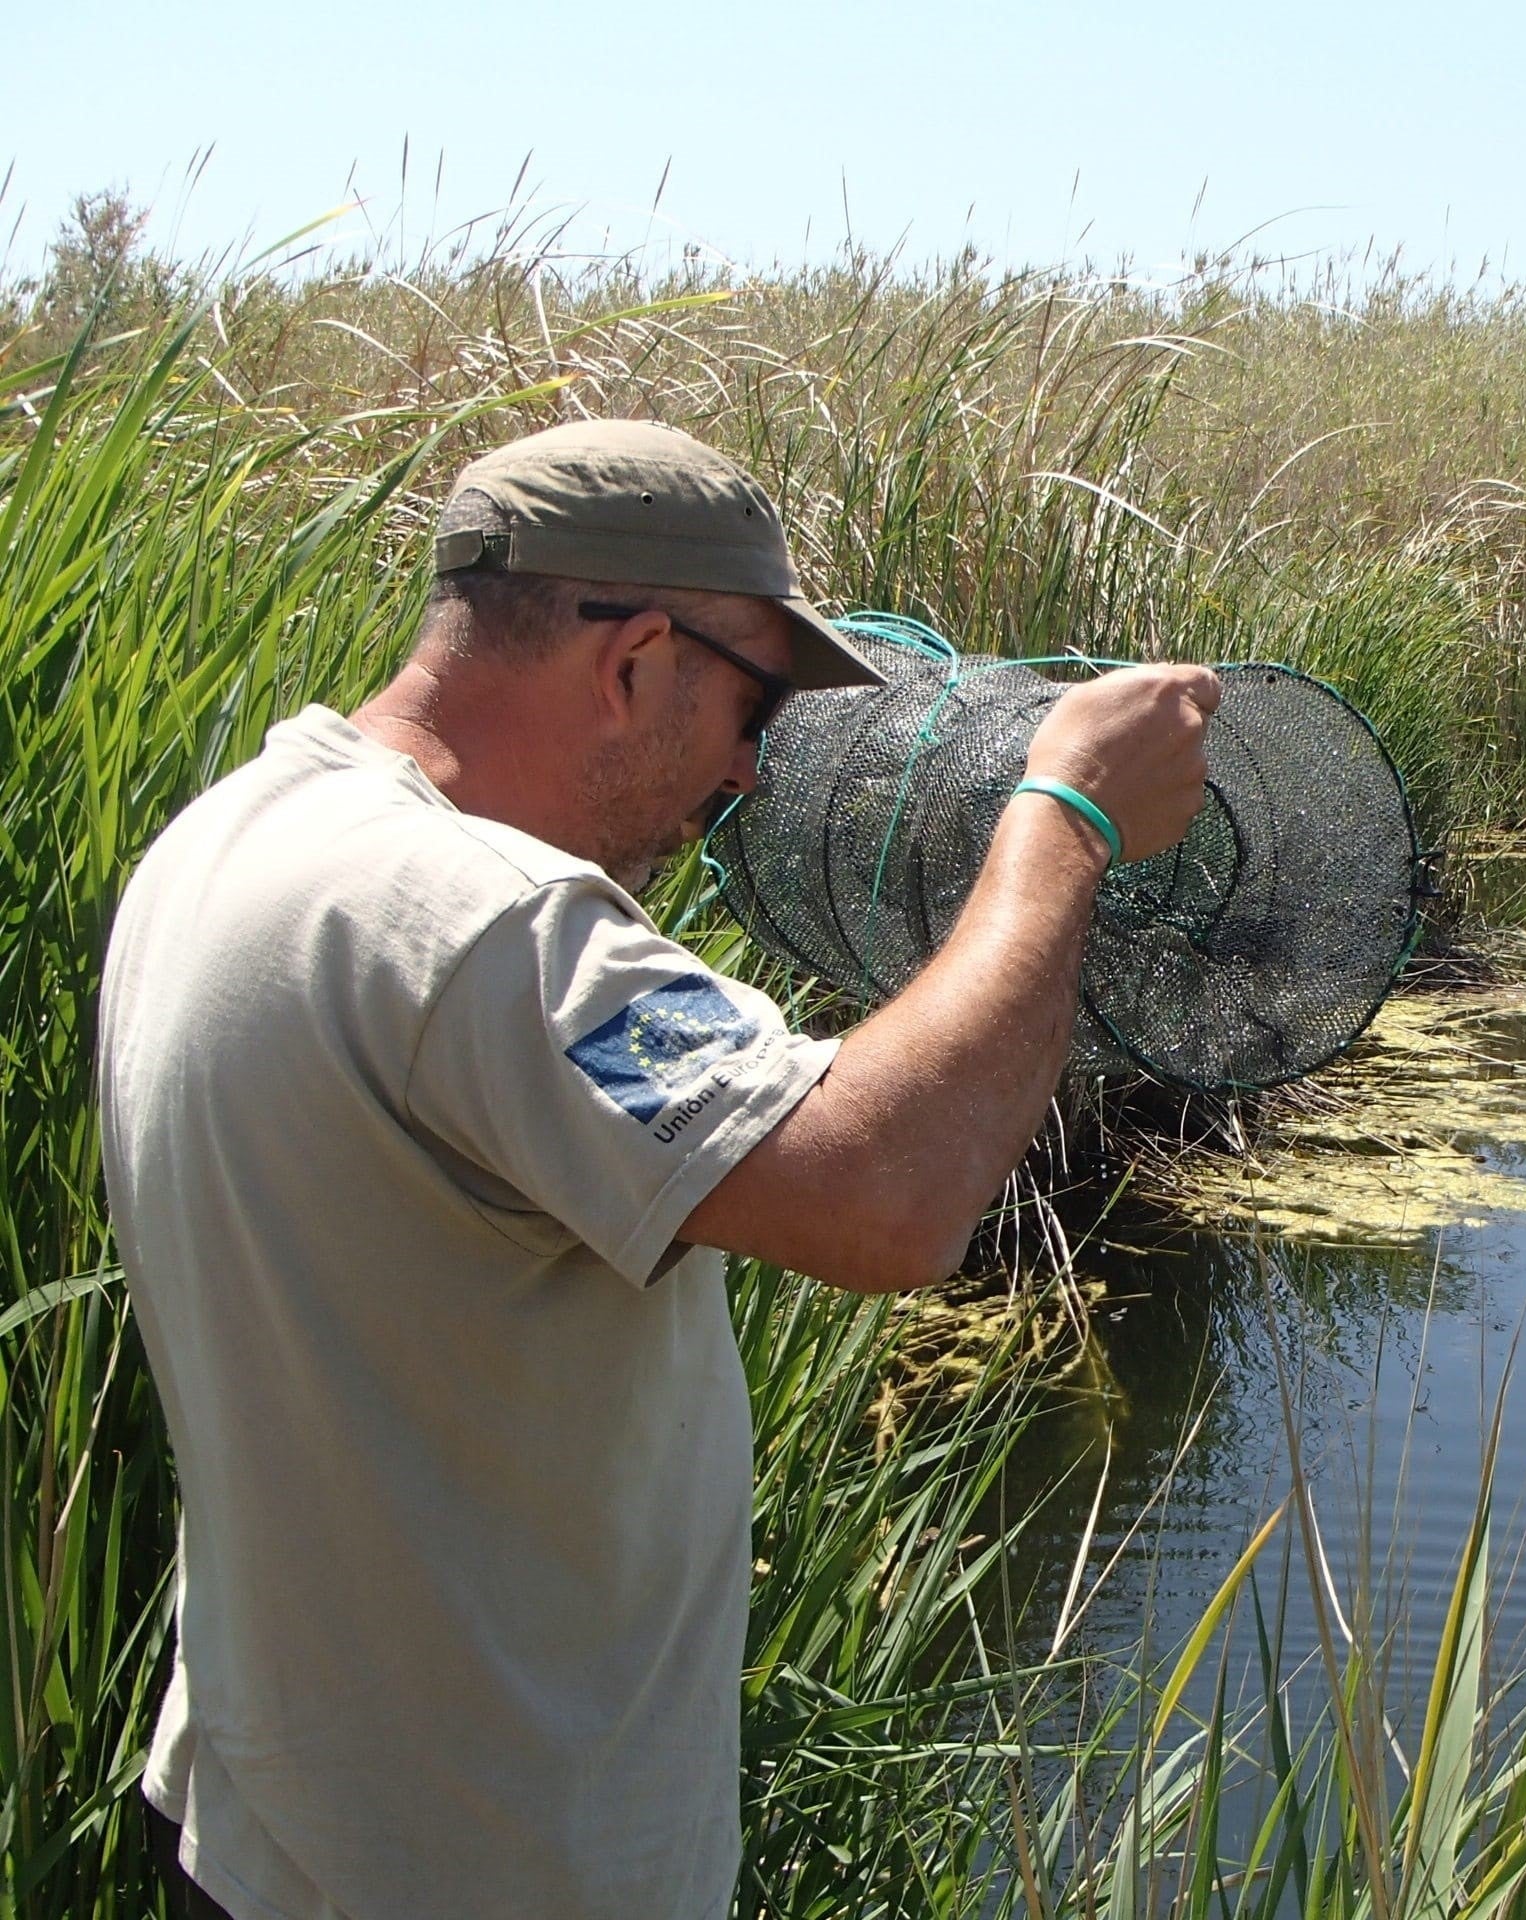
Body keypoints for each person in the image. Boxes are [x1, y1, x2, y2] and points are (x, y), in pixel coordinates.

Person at [96, 418, 1219, 1920]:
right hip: (480, 1873)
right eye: (753, 702)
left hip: (270, 1835)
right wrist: (1066, 814)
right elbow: (889, 1191)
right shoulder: (480, 919)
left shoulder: (233, 835)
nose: (753, 771)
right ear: (632, 660)